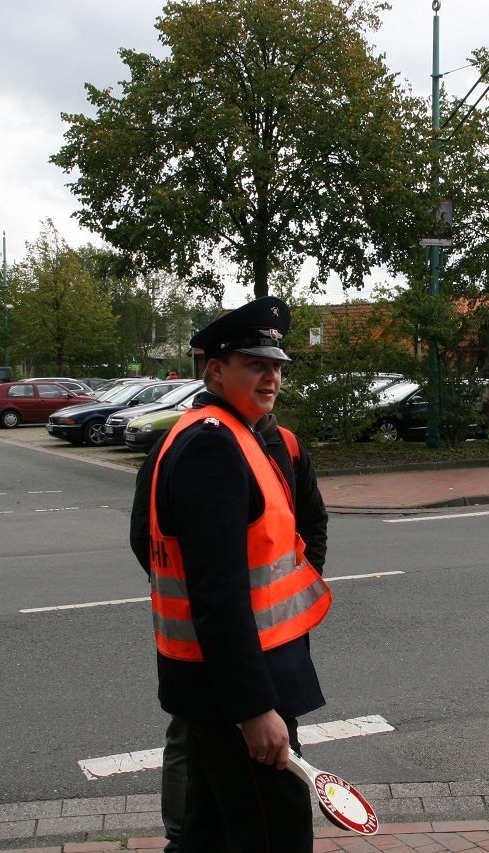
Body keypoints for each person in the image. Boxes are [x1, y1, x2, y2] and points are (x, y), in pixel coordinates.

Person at [133, 296, 332, 850]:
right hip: (238, 690)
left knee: (209, 832)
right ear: (215, 371)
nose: (271, 377)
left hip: (219, 681)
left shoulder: (222, 433)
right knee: (274, 833)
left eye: (276, 367)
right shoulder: (214, 447)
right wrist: (252, 708)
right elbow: (218, 594)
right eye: (255, 364)